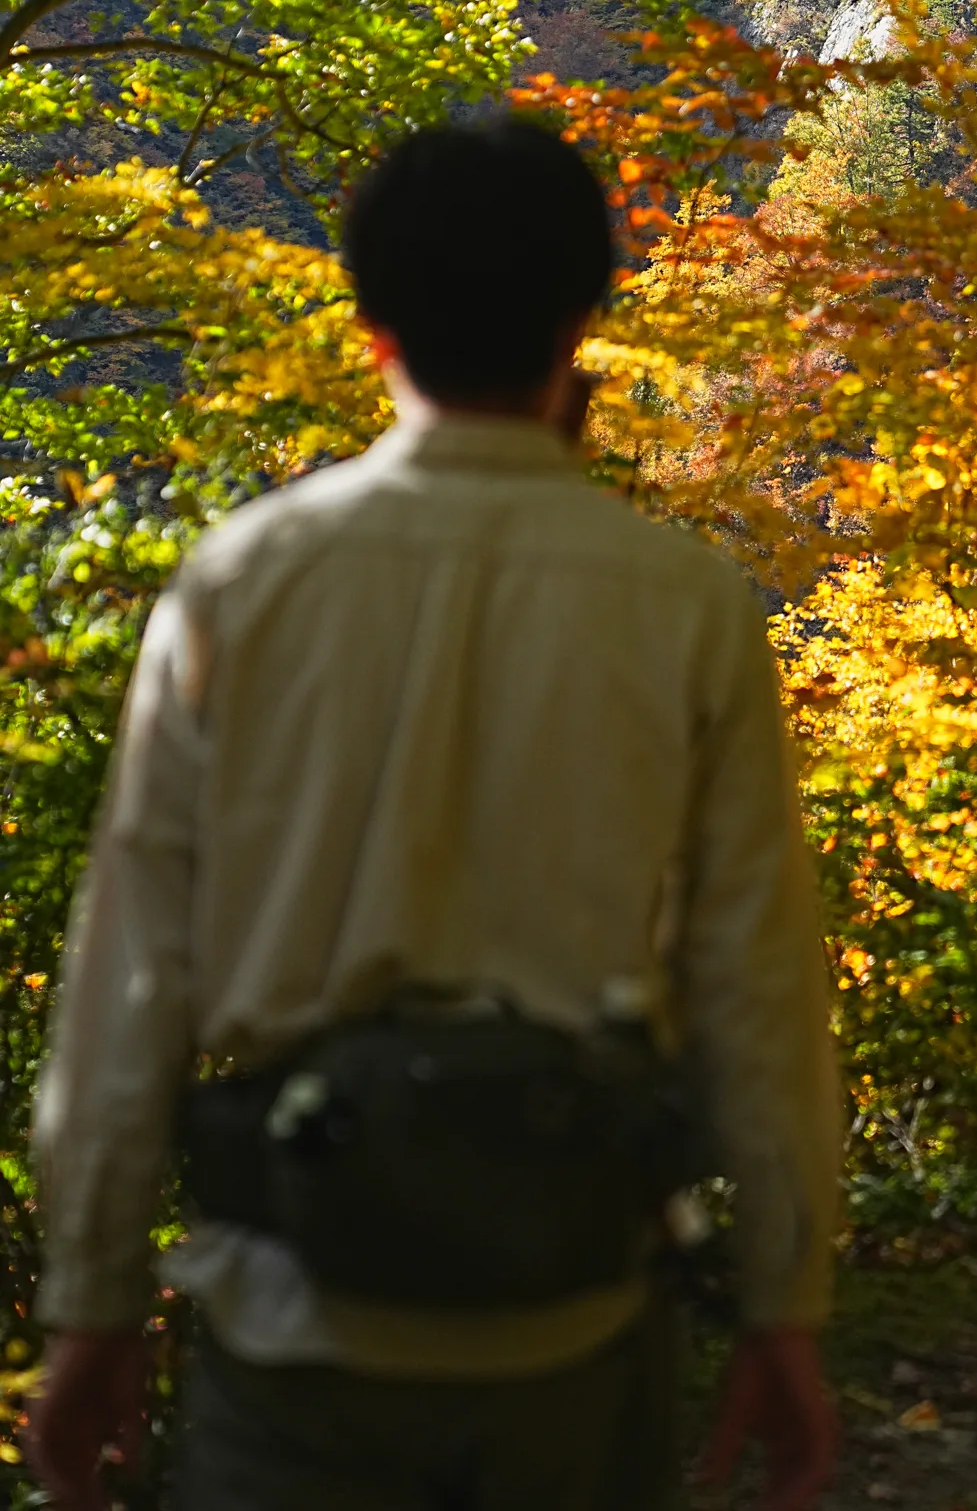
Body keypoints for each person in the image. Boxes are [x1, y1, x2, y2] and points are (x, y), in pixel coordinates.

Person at [25, 115, 842, 1511]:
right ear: (583, 322)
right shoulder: (688, 607)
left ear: (372, 326)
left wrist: (89, 1304)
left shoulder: (242, 584)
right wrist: (783, 1300)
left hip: (292, 1327)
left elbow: (130, 977)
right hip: (576, 1334)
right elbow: (756, 983)